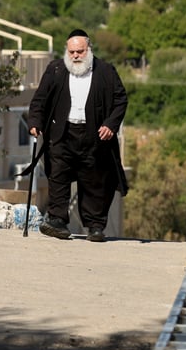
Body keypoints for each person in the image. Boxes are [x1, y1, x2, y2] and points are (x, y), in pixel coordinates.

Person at [27, 29, 128, 242]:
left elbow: (120, 100)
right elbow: (40, 100)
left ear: (88, 49)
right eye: (71, 51)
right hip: (62, 133)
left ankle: (95, 226)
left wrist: (111, 124)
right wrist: (35, 122)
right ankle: (57, 221)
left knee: (94, 179)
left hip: (94, 135)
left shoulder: (106, 71)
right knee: (58, 175)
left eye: (80, 51)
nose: (75, 56)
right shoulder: (55, 69)